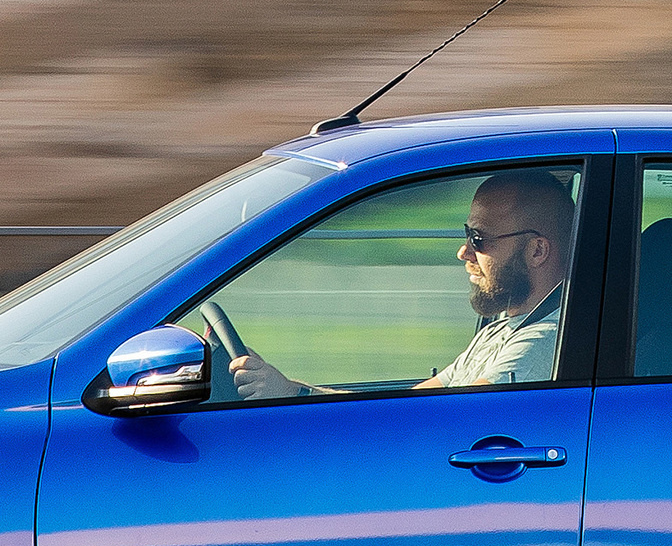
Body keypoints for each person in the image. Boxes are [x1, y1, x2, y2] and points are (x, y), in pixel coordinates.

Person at [230, 169, 573, 398]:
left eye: (479, 239)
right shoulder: (504, 328)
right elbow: (406, 406)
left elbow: (422, 424)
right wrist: (291, 391)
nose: (463, 252)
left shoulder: (543, 345)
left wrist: (294, 396)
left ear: (537, 250)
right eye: (467, 235)